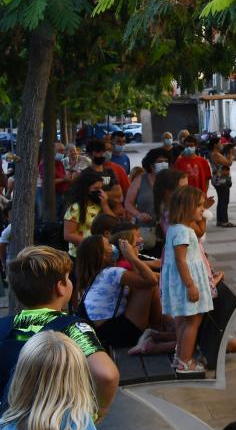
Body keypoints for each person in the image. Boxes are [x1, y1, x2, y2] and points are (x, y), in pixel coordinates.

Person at [5, 246, 124, 430]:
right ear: (61, 286)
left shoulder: (5, 328)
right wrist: (99, 410)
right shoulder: (72, 328)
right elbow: (107, 375)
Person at [75, 235, 162, 351]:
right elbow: (151, 280)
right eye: (108, 245)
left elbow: (143, 278)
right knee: (148, 287)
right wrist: (132, 258)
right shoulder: (112, 273)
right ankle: (157, 330)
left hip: (105, 332)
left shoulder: (97, 275)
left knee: (140, 286)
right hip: (118, 334)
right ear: (103, 255)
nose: (113, 247)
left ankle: (156, 329)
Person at [161, 186, 214, 374]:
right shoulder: (182, 231)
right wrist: (191, 285)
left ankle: (180, 357)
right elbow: (180, 259)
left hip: (184, 281)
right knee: (193, 321)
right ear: (186, 207)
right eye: (199, 206)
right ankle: (185, 361)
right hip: (187, 282)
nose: (203, 209)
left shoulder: (180, 228)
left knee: (185, 321)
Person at [124, 149, 169, 254]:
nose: (163, 164)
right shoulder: (140, 180)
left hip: (167, 230)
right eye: (160, 161)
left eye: (166, 161)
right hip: (146, 231)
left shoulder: (171, 180)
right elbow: (128, 203)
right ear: (151, 165)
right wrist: (138, 214)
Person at [63, 171, 114, 258]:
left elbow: (113, 222)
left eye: (101, 188)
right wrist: (93, 243)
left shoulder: (100, 204)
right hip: (81, 255)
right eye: (96, 189)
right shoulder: (75, 208)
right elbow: (68, 235)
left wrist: (105, 205)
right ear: (85, 188)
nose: (100, 192)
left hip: (100, 254)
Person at [173, 135, 213, 202]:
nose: (189, 147)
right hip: (184, 197)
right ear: (184, 146)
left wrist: (205, 193)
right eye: (187, 146)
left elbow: (207, 180)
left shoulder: (203, 161)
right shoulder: (179, 162)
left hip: (200, 196)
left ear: (196, 146)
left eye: (191, 145)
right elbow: (175, 181)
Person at [84, 139, 123, 204]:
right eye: (98, 152)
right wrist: (110, 194)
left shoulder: (109, 171)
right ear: (89, 155)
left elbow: (118, 192)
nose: (101, 154)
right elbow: (86, 195)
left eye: (103, 151)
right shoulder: (85, 174)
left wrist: (98, 193)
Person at [210, 136, 236, 228]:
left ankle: (220, 220)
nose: (221, 144)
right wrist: (231, 155)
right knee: (224, 200)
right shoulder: (216, 154)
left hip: (219, 179)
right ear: (215, 144)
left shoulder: (215, 153)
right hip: (221, 180)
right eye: (220, 142)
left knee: (222, 200)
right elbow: (228, 163)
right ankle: (224, 221)